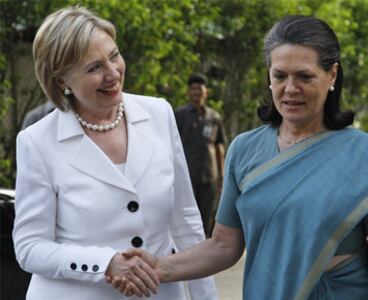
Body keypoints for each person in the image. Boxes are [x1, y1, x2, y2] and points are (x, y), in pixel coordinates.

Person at [108, 15, 368, 299]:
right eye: (280, 75)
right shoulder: (244, 150)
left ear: (331, 74)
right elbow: (224, 245)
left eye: (304, 77)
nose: (290, 89)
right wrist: (158, 267)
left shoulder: (365, 158)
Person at [12, 6, 217, 300]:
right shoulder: (36, 140)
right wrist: (105, 263)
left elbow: (186, 222)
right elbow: (30, 247)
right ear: (62, 81)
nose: (113, 73)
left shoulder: (159, 112)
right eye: (94, 68)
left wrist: (205, 297)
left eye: (114, 56)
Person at [175, 74, 226, 236]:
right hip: (185, 176)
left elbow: (219, 147)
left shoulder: (214, 117)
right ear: (188, 92)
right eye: (193, 88)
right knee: (185, 215)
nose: (197, 92)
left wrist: (221, 175)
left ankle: (203, 250)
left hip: (209, 175)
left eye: (200, 88)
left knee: (207, 215)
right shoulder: (180, 115)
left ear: (206, 92)